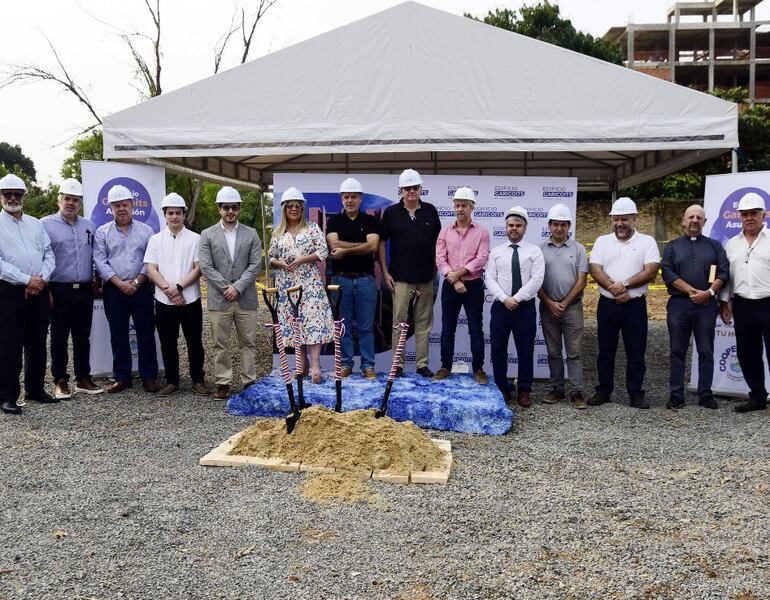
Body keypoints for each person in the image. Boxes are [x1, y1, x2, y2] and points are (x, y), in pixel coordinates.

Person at [588, 197, 660, 409]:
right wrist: (614, 288)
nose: (619, 224)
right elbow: (595, 269)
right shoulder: (602, 241)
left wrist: (626, 285)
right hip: (608, 304)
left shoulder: (647, 242)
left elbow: (651, 270)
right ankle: (604, 391)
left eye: (624, 219)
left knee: (636, 351)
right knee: (605, 350)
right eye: (616, 219)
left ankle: (636, 393)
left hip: (634, 305)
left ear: (634, 218)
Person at [661, 205, 728, 410]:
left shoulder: (715, 246)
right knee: (677, 350)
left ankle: (705, 394)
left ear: (705, 222)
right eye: (691, 216)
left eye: (699, 217)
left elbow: (723, 273)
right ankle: (676, 395)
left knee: (706, 350)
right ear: (683, 220)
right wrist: (691, 291)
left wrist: (708, 293)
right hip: (679, 305)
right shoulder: (672, 246)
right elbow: (667, 273)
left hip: (706, 304)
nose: (694, 220)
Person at [41, 178, 103, 400]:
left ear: (80, 203)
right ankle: (59, 380)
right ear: (59, 200)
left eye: (75, 200)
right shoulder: (45, 225)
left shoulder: (89, 226)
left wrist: (97, 276)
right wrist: (45, 287)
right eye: (67, 198)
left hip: (84, 289)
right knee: (58, 337)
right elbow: (41, 257)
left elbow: (95, 254)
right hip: (58, 289)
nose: (71, 203)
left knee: (82, 336)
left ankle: (83, 378)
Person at [94, 184, 158, 394]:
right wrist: (119, 283)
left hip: (142, 289)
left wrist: (138, 281)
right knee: (118, 334)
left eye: (125, 204)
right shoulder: (102, 232)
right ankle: (122, 377)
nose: (121, 208)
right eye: (117, 205)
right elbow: (100, 261)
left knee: (146, 333)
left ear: (132, 206)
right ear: (110, 208)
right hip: (114, 290)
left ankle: (149, 377)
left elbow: (150, 260)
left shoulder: (146, 230)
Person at [198, 186, 262, 400]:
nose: (230, 211)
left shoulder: (251, 234)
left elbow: (255, 264)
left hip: (245, 298)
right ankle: (223, 383)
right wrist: (227, 287)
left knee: (249, 343)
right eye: (226, 207)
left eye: (234, 207)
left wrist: (238, 287)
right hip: (219, 298)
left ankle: (249, 382)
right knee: (219, 344)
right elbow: (206, 266)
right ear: (219, 209)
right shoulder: (207, 235)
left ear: (239, 209)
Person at [0, 173, 56, 414]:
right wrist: (26, 280)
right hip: (10, 291)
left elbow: (48, 254)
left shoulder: (36, 223)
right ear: (1, 196)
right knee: (9, 342)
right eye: (7, 194)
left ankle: (35, 389)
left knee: (37, 340)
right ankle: (7, 396)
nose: (13, 198)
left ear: (24, 196)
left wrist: (41, 279)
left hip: (38, 290)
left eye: (17, 194)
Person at [378, 169, 442, 377]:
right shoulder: (391, 213)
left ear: (420, 189)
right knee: (399, 324)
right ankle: (398, 365)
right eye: (408, 188)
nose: (412, 191)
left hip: (426, 278)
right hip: (401, 279)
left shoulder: (431, 211)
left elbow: (439, 242)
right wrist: (385, 271)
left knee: (423, 323)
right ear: (401, 190)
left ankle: (422, 364)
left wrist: (437, 269)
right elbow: (380, 242)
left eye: (415, 187)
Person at [144, 193, 207, 397]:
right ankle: (172, 381)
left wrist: (178, 287)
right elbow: (151, 269)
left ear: (183, 214)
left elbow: (199, 268)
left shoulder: (196, 239)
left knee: (194, 342)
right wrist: (168, 291)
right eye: (170, 213)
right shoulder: (155, 240)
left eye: (178, 213)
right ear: (165, 215)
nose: (174, 217)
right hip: (163, 300)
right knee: (168, 342)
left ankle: (198, 380)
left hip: (190, 299)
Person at [269, 187, 333, 383]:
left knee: (312, 321)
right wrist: (279, 263)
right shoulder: (277, 232)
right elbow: (271, 257)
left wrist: (303, 259)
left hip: (309, 283)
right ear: (284, 209)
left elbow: (323, 252)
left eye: (297, 206)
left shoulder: (312, 228)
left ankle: (315, 365)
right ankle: (301, 363)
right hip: (286, 284)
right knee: (294, 322)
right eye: (290, 206)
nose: (294, 209)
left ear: (302, 208)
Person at [484, 206, 545, 408]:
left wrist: (516, 298)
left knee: (525, 350)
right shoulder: (496, 252)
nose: (514, 229)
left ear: (525, 228)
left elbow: (537, 279)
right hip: (501, 307)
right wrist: (504, 298)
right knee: (498, 350)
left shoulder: (534, 251)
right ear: (505, 227)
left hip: (525, 308)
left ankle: (525, 390)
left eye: (518, 225)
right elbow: (490, 278)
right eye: (511, 225)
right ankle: (503, 387)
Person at [432, 186, 490, 384]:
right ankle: (445, 367)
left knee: (476, 329)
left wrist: (459, 273)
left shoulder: (482, 232)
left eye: (464, 205)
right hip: (450, 285)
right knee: (447, 329)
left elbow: (481, 259)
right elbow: (440, 259)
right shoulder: (445, 232)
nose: (460, 209)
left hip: (473, 285)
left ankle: (479, 369)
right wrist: (454, 279)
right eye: (457, 205)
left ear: (472, 207)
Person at [719, 192, 770, 413]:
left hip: (769, 303)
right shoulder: (731, 244)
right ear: (739, 216)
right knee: (747, 353)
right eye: (744, 214)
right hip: (743, 305)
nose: (749, 218)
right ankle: (757, 397)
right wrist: (724, 302)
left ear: (763, 215)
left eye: (753, 213)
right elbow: (726, 277)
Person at [326, 178, 380, 379]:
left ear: (360, 198)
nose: (350, 200)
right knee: (344, 326)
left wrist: (345, 248)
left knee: (366, 327)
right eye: (346, 197)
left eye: (354, 197)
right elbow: (333, 244)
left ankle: (368, 366)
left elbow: (373, 246)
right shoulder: (334, 221)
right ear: (341, 199)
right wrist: (360, 246)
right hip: (341, 281)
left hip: (366, 280)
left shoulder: (371, 221)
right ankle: (346, 364)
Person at [537, 203, 589, 409]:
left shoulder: (578, 249)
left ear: (569, 226)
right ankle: (557, 389)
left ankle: (577, 392)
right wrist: (550, 303)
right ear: (549, 225)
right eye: (555, 224)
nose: (559, 228)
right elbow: (536, 280)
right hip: (547, 306)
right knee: (553, 351)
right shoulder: (539, 249)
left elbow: (582, 280)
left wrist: (564, 303)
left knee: (574, 352)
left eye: (563, 225)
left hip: (572, 308)